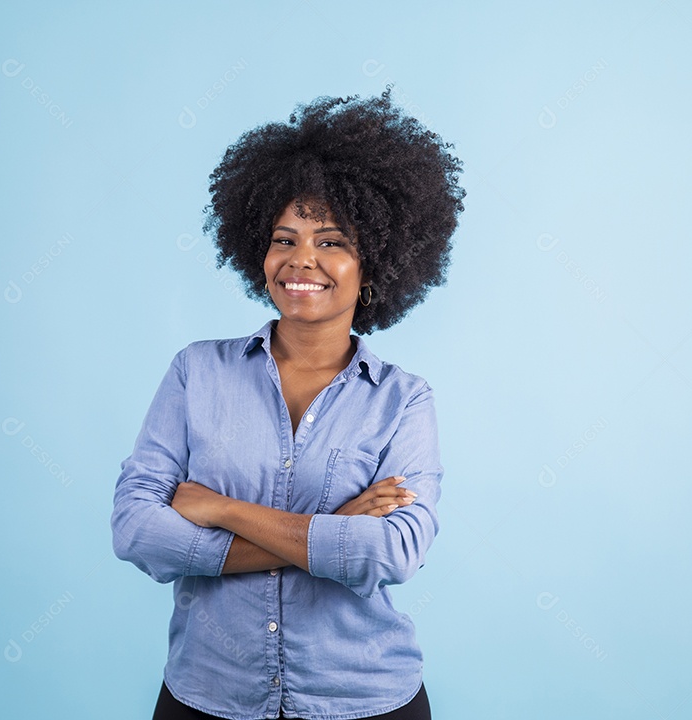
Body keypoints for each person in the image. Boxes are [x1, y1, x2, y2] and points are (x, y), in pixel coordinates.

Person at [111, 87, 465, 720]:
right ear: (259, 251)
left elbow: (391, 554)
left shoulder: (403, 401)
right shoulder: (197, 372)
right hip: (208, 696)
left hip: (361, 699)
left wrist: (218, 509)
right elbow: (138, 532)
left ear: (375, 262)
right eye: (285, 239)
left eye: (332, 241)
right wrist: (338, 526)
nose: (302, 259)